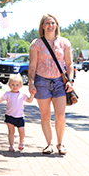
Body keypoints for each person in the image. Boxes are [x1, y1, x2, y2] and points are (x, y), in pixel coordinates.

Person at [28, 14, 74, 155]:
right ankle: (49, 144)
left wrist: (70, 81)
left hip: (60, 82)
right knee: (45, 115)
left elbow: (69, 63)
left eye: (53, 23)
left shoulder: (64, 43)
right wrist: (31, 83)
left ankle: (60, 144)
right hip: (42, 81)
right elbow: (32, 65)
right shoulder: (36, 44)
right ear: (42, 26)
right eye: (47, 23)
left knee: (60, 116)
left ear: (56, 25)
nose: (50, 25)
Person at [0, 74, 34, 151]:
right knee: (11, 132)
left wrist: (32, 95)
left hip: (20, 117)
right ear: (9, 85)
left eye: (17, 85)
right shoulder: (8, 94)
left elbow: (29, 101)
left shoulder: (22, 95)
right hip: (10, 116)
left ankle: (21, 141)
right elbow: (0, 100)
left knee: (22, 131)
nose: (15, 86)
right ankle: (11, 145)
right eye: (13, 84)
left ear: (21, 85)